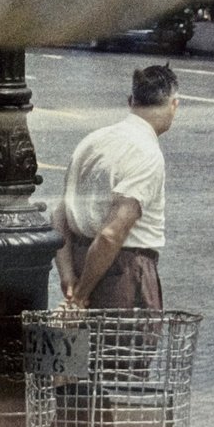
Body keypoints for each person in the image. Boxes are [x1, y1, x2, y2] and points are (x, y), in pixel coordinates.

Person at [53, 64, 179, 311]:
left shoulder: (92, 142)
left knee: (86, 349)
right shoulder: (146, 152)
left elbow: (59, 216)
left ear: (131, 100)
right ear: (174, 104)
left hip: (80, 265)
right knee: (126, 349)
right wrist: (81, 295)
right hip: (125, 275)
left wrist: (69, 279)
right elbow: (112, 234)